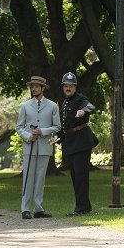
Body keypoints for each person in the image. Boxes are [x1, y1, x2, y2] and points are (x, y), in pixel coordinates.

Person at [16, 76, 61, 219]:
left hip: (44, 147)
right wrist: (28, 136)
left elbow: (57, 127)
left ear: (43, 88)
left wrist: (42, 131)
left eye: (36, 86)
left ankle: (38, 209)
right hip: (29, 146)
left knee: (40, 179)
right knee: (28, 178)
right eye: (32, 86)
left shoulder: (53, 106)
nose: (34, 89)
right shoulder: (25, 106)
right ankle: (25, 209)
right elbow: (19, 127)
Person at [56, 72, 99, 216]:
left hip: (81, 142)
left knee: (81, 177)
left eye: (71, 86)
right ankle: (84, 206)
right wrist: (57, 137)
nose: (68, 88)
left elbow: (91, 107)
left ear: (75, 87)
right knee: (75, 176)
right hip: (71, 143)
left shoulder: (80, 99)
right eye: (66, 86)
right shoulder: (66, 102)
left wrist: (83, 110)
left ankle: (81, 208)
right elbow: (66, 126)